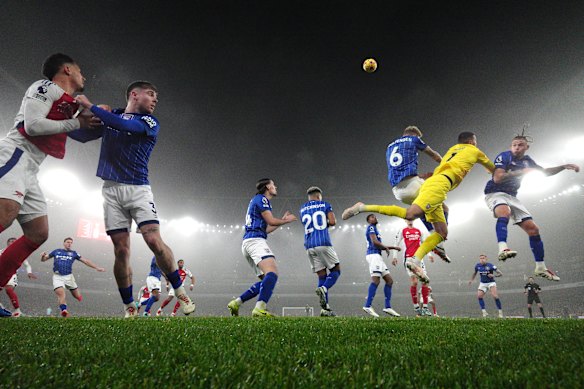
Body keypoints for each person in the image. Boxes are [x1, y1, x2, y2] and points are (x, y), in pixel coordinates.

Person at [75, 82, 196, 318]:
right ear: (134, 94)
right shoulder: (112, 115)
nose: (155, 100)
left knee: (153, 240)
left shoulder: (150, 122)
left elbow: (122, 125)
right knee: (121, 251)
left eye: (156, 96)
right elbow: (80, 136)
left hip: (138, 189)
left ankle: (179, 290)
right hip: (110, 191)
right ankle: (129, 305)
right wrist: (77, 115)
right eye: (151, 94)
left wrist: (91, 106)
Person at [0, 53, 101, 288]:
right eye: (79, 69)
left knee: (38, 232)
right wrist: (78, 122)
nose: (83, 75)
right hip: (16, 153)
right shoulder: (45, 87)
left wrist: (102, 117)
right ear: (67, 69)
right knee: (5, 215)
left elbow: (81, 133)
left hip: (31, 167)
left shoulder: (68, 104)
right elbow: (33, 125)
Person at [343, 132, 495, 284]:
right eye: (475, 142)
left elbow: (441, 166)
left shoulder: (452, 150)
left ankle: (417, 259)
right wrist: (505, 172)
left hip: (410, 187)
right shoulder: (474, 151)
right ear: (471, 142)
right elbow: (494, 169)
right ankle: (362, 207)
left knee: (442, 232)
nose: (475, 144)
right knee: (411, 215)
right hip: (436, 185)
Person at [484, 135, 579, 281]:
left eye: (520, 145)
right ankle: (503, 248)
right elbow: (497, 178)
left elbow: (544, 172)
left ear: (526, 147)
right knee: (505, 213)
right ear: (511, 146)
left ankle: (540, 267)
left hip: (512, 196)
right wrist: (521, 172)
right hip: (495, 193)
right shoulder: (504, 156)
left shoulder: (527, 161)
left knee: (533, 229)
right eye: (514, 144)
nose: (516, 147)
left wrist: (562, 167)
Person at [227, 178, 297, 317]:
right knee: (272, 273)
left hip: (249, 242)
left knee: (266, 281)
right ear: (267, 187)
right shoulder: (262, 199)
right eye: (273, 184)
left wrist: (281, 222)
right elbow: (271, 220)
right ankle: (259, 308)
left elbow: (266, 229)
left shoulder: (256, 200)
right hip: (255, 241)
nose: (275, 186)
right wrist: (286, 220)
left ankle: (236, 303)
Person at [385, 125, 450, 262]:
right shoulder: (413, 140)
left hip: (397, 191)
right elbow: (433, 154)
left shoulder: (390, 146)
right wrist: (446, 164)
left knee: (422, 207)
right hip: (412, 185)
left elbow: (399, 169)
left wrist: (420, 177)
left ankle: (435, 239)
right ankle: (439, 240)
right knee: (444, 208)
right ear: (415, 134)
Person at [299, 186, 341, 317]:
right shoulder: (325, 204)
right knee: (336, 270)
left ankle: (325, 309)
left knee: (321, 275)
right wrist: (325, 224)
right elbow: (333, 221)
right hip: (322, 241)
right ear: (318, 196)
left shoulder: (302, 209)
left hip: (309, 244)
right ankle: (324, 288)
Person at [41, 237, 105, 317]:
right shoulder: (56, 251)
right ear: (64, 243)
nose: (69, 244)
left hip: (69, 277)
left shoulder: (74, 253)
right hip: (57, 277)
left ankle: (78, 297)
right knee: (61, 293)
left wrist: (96, 267)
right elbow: (44, 259)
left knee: (76, 295)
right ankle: (64, 310)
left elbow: (85, 261)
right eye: (68, 242)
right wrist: (43, 256)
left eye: (71, 242)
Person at [362, 214, 401, 318]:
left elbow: (379, 245)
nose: (375, 218)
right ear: (368, 220)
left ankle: (387, 307)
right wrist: (387, 248)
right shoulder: (371, 227)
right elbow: (375, 243)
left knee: (389, 281)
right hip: (373, 255)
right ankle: (367, 305)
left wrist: (393, 247)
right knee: (376, 281)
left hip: (378, 256)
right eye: (372, 217)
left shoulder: (375, 229)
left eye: (375, 216)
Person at [392, 220, 434, 316]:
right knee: (415, 282)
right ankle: (416, 306)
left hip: (419, 259)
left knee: (424, 281)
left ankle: (425, 308)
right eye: (408, 219)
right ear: (405, 220)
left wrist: (429, 255)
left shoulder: (419, 231)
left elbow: (424, 244)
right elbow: (396, 243)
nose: (409, 220)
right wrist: (394, 256)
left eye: (411, 219)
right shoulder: (402, 230)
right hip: (409, 259)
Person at [2, 237, 38, 317]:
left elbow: (27, 265)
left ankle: (17, 311)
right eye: (11, 241)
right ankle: (2, 308)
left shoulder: (19, 253)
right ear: (7, 243)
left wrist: (29, 272)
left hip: (11, 274)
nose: (13, 243)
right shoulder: (1, 251)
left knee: (9, 289)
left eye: (15, 242)